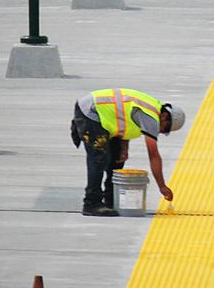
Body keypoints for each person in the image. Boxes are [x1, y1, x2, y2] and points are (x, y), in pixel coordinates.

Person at [71, 88, 186, 216]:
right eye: (165, 129)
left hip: (104, 115)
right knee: (99, 158)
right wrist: (162, 186)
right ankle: (91, 203)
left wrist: (124, 148)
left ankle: (111, 200)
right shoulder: (151, 118)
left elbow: (123, 119)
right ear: (164, 117)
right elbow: (153, 155)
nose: (161, 132)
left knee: (117, 157)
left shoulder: (151, 109)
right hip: (91, 111)